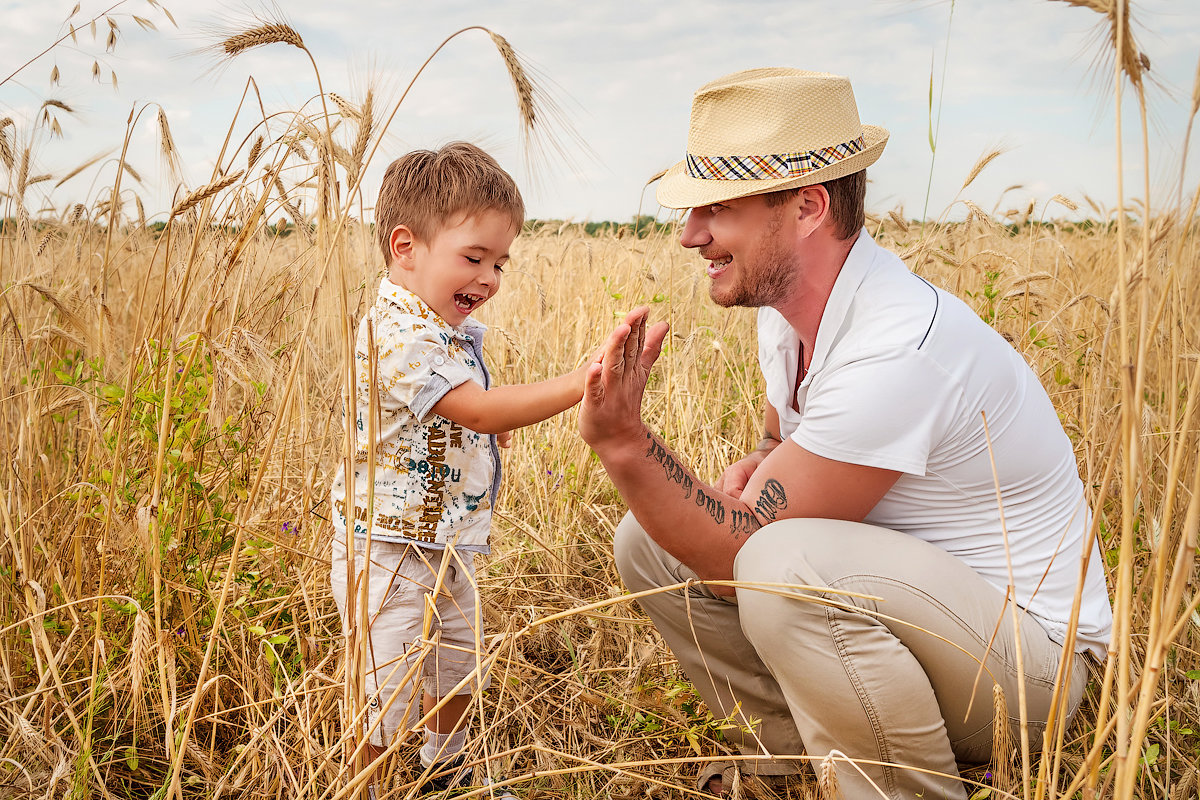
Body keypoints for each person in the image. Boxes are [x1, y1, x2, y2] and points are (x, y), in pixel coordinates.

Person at [579, 69, 1112, 799]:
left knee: (784, 567)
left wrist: (624, 443)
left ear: (806, 207)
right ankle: (793, 758)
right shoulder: (787, 318)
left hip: (1027, 676)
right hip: (927, 632)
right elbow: (777, 450)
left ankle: (900, 787)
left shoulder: (897, 347)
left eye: (717, 207)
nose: (689, 234)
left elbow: (744, 552)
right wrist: (763, 464)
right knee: (648, 540)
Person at [329, 142, 592, 795]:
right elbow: (472, 409)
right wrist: (580, 381)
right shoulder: (396, 333)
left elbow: (455, 413)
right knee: (385, 685)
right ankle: (365, 784)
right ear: (406, 246)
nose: (489, 278)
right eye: (473, 257)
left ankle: (445, 767)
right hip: (387, 549)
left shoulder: (440, 325)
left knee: (456, 660)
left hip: (446, 543)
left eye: (500, 262)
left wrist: (485, 439)